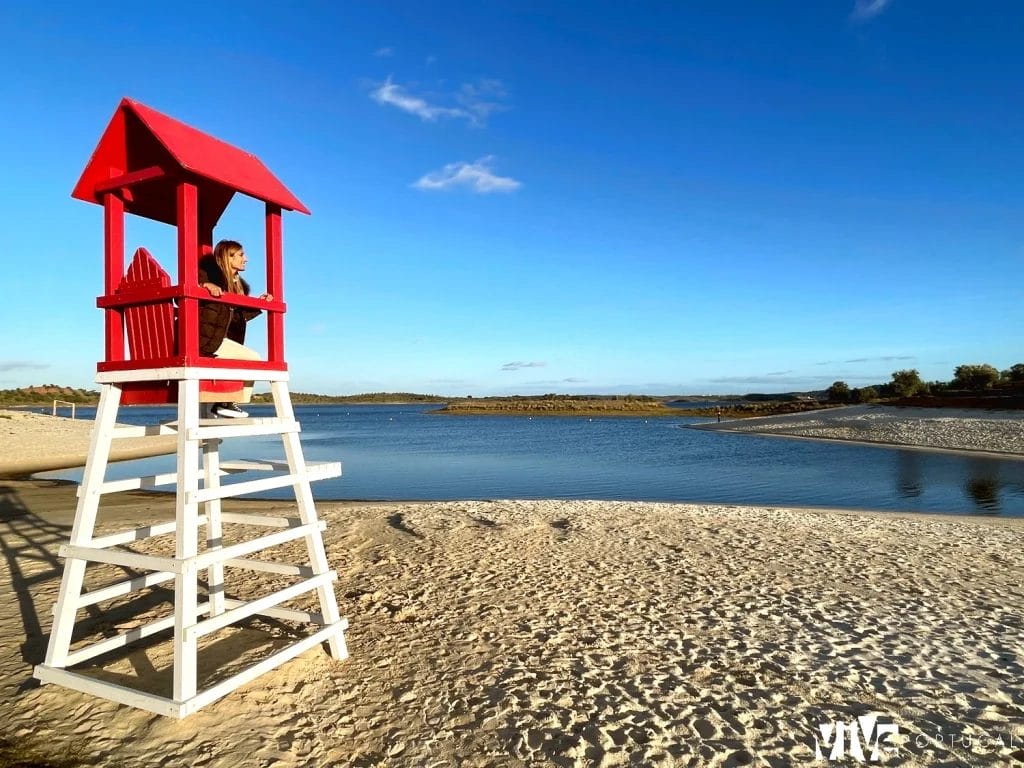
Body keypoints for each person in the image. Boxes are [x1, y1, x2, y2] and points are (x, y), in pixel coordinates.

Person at [198, 240, 273, 418]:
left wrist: (258, 303)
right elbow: (194, 284)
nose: (245, 259)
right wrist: (206, 286)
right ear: (228, 256)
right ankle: (226, 403)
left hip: (224, 340)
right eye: (240, 255)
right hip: (206, 339)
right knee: (253, 359)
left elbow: (239, 315)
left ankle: (224, 402)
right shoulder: (207, 275)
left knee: (244, 360)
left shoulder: (239, 286)